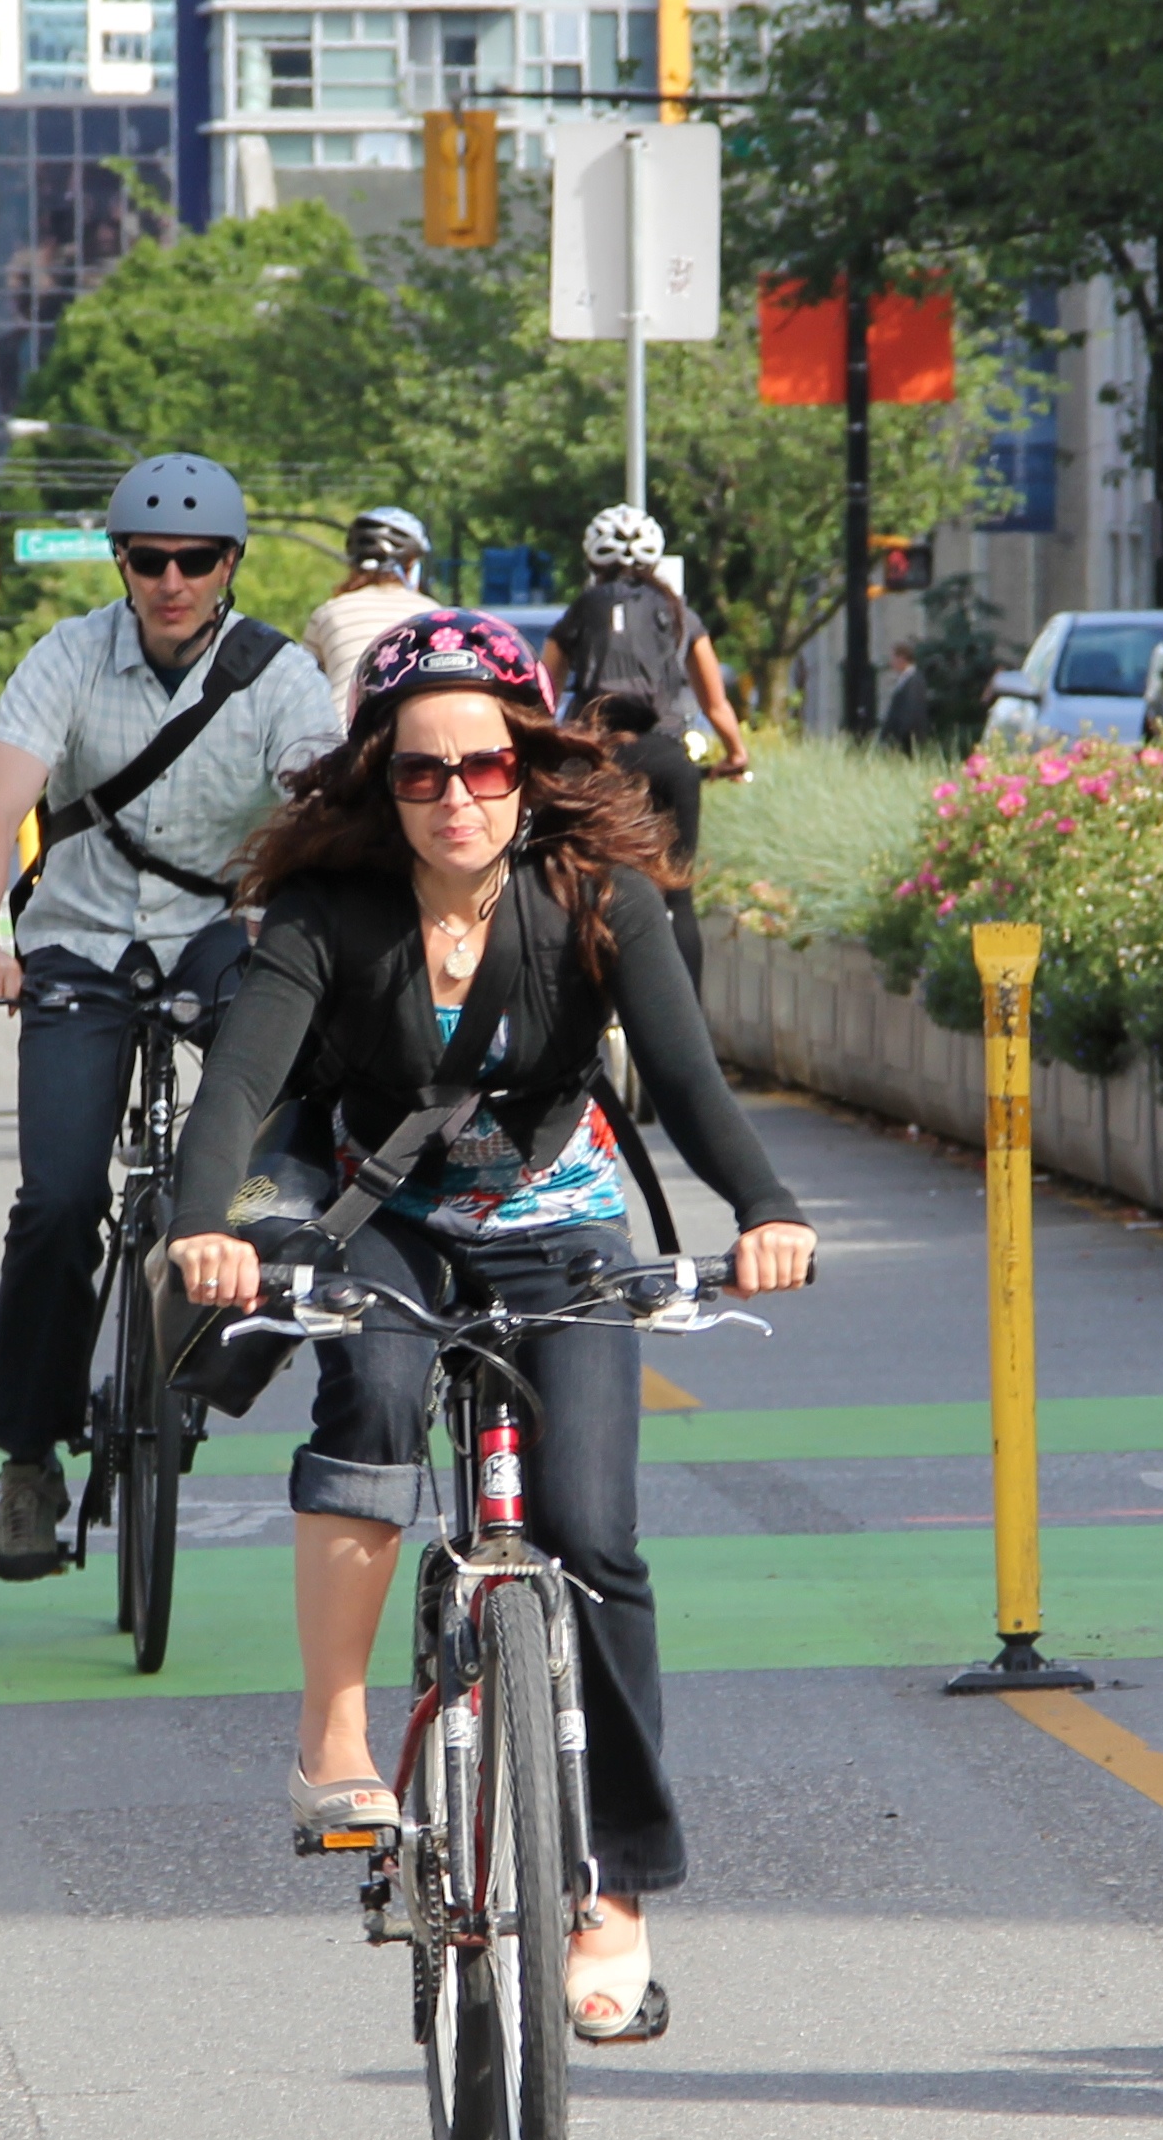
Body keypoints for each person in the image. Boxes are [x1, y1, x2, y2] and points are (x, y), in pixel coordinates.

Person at [165, 607, 818, 2045]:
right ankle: (335, 1740)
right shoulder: (326, 922)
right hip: (381, 1221)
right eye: (419, 773)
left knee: (594, 1536)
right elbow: (236, 1094)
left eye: (484, 766)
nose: (455, 797)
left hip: (557, 1224)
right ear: (375, 783)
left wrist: (764, 1209)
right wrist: (202, 1226)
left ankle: (617, 1889)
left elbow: (697, 1093)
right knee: (374, 1401)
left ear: (529, 764)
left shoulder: (599, 899)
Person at [0, 449, 344, 1580]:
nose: (172, 580)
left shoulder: (278, 679)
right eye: (149, 559)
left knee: (255, 1182)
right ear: (120, 562)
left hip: (225, 942)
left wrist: (286, 912)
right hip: (76, 944)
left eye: (197, 560)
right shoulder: (66, 656)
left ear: (230, 565)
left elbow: (313, 811)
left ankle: (203, 1364)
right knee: (59, 1202)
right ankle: (30, 1463)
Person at [542, 504, 744, 869]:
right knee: (677, 887)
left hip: (593, 758)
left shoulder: (579, 610)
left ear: (592, 563)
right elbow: (715, 703)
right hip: (665, 757)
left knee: (583, 879)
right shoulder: (677, 610)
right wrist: (736, 754)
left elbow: (543, 695)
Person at [300, 506, 435, 691]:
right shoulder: (433, 615)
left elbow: (304, 685)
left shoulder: (328, 613)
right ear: (411, 563)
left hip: (343, 719)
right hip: (410, 719)